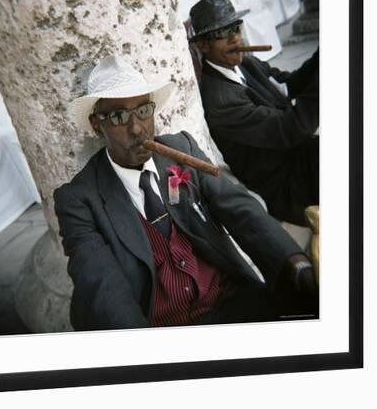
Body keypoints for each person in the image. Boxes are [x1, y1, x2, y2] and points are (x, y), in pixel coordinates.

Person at [54, 55, 317, 331]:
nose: (137, 128)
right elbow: (101, 283)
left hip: (229, 301)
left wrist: (294, 261)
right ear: (98, 125)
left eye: (143, 111)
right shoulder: (78, 200)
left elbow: (241, 208)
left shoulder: (182, 149)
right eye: (119, 116)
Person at [189, 0, 319, 226]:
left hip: (300, 156)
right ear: (202, 45)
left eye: (235, 28)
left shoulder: (245, 62)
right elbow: (290, 129)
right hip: (285, 184)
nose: (235, 38)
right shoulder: (221, 101)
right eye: (222, 33)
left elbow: (288, 85)